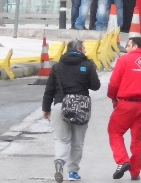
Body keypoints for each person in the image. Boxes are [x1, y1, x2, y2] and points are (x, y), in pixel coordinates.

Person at [42, 39, 101, 183]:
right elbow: (95, 86)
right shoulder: (87, 65)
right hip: (80, 106)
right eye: (84, 48)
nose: (86, 51)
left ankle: (60, 162)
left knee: (62, 139)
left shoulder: (57, 67)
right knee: (77, 141)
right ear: (80, 49)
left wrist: (46, 108)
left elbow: (49, 89)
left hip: (60, 105)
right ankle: (73, 172)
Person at [107, 37, 141, 180]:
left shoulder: (124, 60)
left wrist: (112, 97)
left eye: (128, 45)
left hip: (125, 103)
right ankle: (135, 172)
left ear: (135, 46)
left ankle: (122, 161)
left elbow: (114, 83)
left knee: (115, 132)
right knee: (137, 138)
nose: (126, 48)